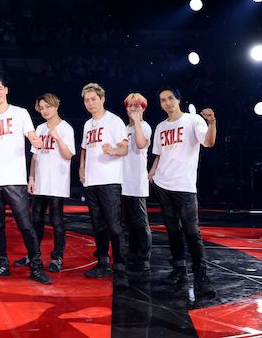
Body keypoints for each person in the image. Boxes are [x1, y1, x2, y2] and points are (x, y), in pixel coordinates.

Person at [0, 75, 52, 285]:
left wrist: (34, 140)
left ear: (6, 90)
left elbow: (31, 134)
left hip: (15, 179)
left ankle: (36, 266)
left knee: (26, 225)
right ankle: (2, 265)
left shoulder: (20, 113)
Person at [148, 86, 217, 297]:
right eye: (163, 100)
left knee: (192, 232)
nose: (167, 102)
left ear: (178, 99)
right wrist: (151, 174)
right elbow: (159, 155)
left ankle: (201, 277)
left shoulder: (193, 120)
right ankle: (179, 270)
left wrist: (212, 123)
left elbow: (208, 142)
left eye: (170, 98)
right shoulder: (160, 126)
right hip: (162, 184)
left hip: (184, 186)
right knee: (173, 231)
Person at [15, 93, 75, 273]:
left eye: (47, 106)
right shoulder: (40, 128)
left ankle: (57, 258)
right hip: (40, 182)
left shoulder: (66, 128)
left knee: (57, 222)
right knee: (36, 221)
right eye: (41, 108)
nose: (44, 110)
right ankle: (33, 254)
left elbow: (68, 155)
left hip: (57, 183)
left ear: (56, 106)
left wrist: (57, 138)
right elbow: (34, 156)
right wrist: (31, 178)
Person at [79, 82, 129, 289]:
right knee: (97, 225)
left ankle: (120, 269)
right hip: (91, 181)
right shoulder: (87, 124)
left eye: (93, 99)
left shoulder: (114, 121)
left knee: (114, 226)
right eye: (86, 100)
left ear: (102, 99)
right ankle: (102, 263)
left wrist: (113, 151)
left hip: (109, 181)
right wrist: (81, 168)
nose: (90, 103)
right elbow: (84, 149)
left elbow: (125, 149)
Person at [122, 93, 153, 273]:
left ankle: (144, 258)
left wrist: (137, 123)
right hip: (123, 181)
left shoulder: (145, 127)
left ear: (143, 108)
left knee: (140, 223)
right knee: (129, 223)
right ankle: (133, 254)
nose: (132, 109)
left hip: (137, 182)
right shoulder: (124, 128)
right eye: (130, 106)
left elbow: (141, 144)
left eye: (136, 106)